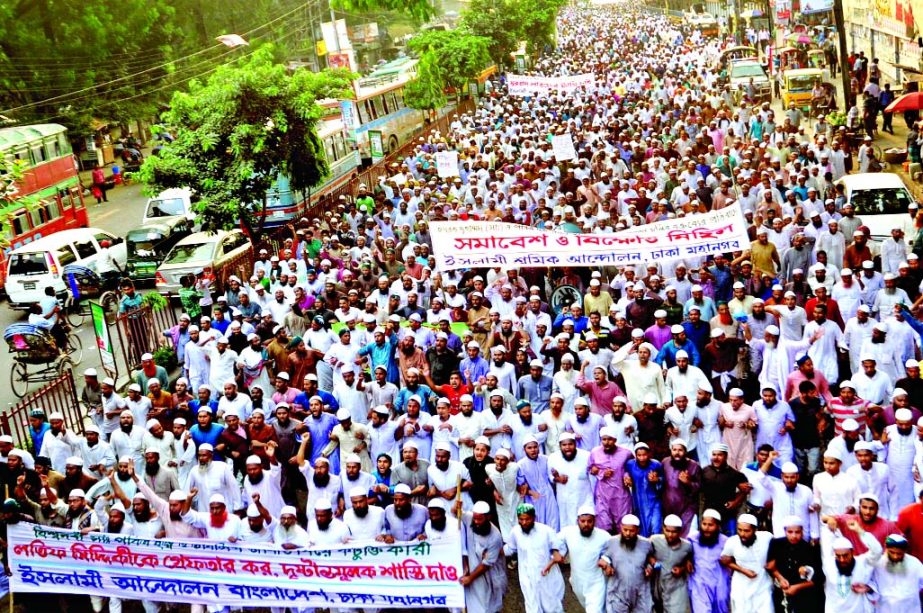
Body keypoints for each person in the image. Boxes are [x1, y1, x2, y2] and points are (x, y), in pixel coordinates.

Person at [503, 503, 565, 613]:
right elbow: (510, 549)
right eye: (521, 519)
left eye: (527, 519)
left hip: (546, 576)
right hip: (527, 577)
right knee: (532, 607)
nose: (524, 522)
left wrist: (554, 558)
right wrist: (494, 551)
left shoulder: (546, 531)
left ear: (534, 518)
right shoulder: (515, 532)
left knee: (552, 607)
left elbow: (559, 550)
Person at [557, 505, 608, 613]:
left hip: (596, 583)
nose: (586, 524)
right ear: (577, 520)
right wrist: (556, 552)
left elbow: (613, 551)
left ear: (595, 521)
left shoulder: (604, 536)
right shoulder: (568, 532)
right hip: (577, 582)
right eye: (583, 521)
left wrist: (606, 559)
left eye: (589, 521)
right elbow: (553, 541)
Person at [720, 513, 773, 612]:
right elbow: (724, 560)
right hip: (741, 587)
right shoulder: (732, 542)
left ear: (755, 530)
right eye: (739, 530)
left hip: (762, 585)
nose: (742, 534)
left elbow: (778, 549)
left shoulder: (766, 537)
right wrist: (743, 570)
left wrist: (772, 563)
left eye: (746, 531)